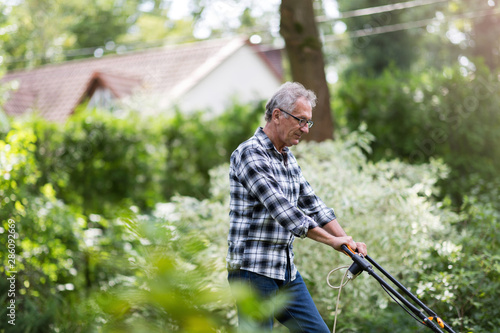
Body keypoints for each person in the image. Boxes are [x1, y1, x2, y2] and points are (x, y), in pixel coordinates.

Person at [226, 81, 367, 332]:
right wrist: (331, 241)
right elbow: (286, 213)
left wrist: (346, 241)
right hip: (252, 272)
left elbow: (312, 204)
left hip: (285, 270)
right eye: (301, 120)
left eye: (308, 122)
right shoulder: (249, 153)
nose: (305, 129)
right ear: (277, 115)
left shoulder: (286, 157)